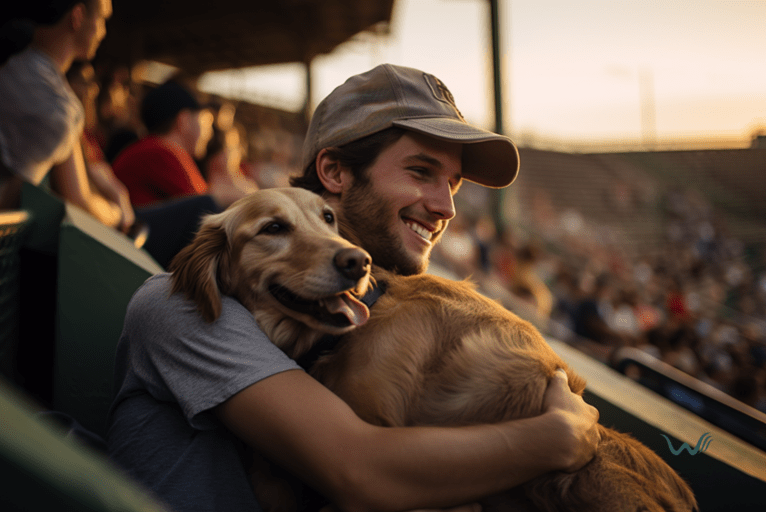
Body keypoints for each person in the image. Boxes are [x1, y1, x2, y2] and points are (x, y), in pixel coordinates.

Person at [107, 64, 600, 512]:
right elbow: (359, 471)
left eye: (452, 184)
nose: (447, 207)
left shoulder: (373, 320)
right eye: (421, 172)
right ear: (335, 171)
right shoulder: (180, 305)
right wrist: (553, 439)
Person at [0, 0, 132, 233]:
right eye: (101, 19)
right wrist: (117, 212)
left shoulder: (27, 71)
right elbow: (80, 203)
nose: (103, 32)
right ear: (78, 16)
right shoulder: (53, 104)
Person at [112, 79, 215, 207]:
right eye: (207, 122)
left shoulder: (150, 148)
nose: (210, 133)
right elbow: (207, 206)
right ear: (184, 121)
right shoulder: (161, 152)